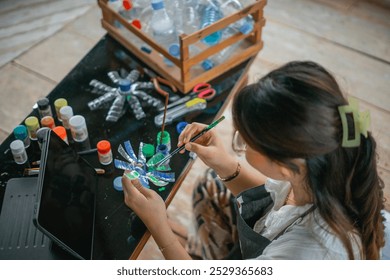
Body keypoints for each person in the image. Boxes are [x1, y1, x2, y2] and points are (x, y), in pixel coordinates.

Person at [122, 61, 385, 259]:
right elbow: (277, 199)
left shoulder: (304, 254)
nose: (239, 143)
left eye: (244, 140)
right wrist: (224, 162)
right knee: (212, 183)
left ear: (285, 165)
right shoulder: (328, 165)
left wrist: (158, 226)